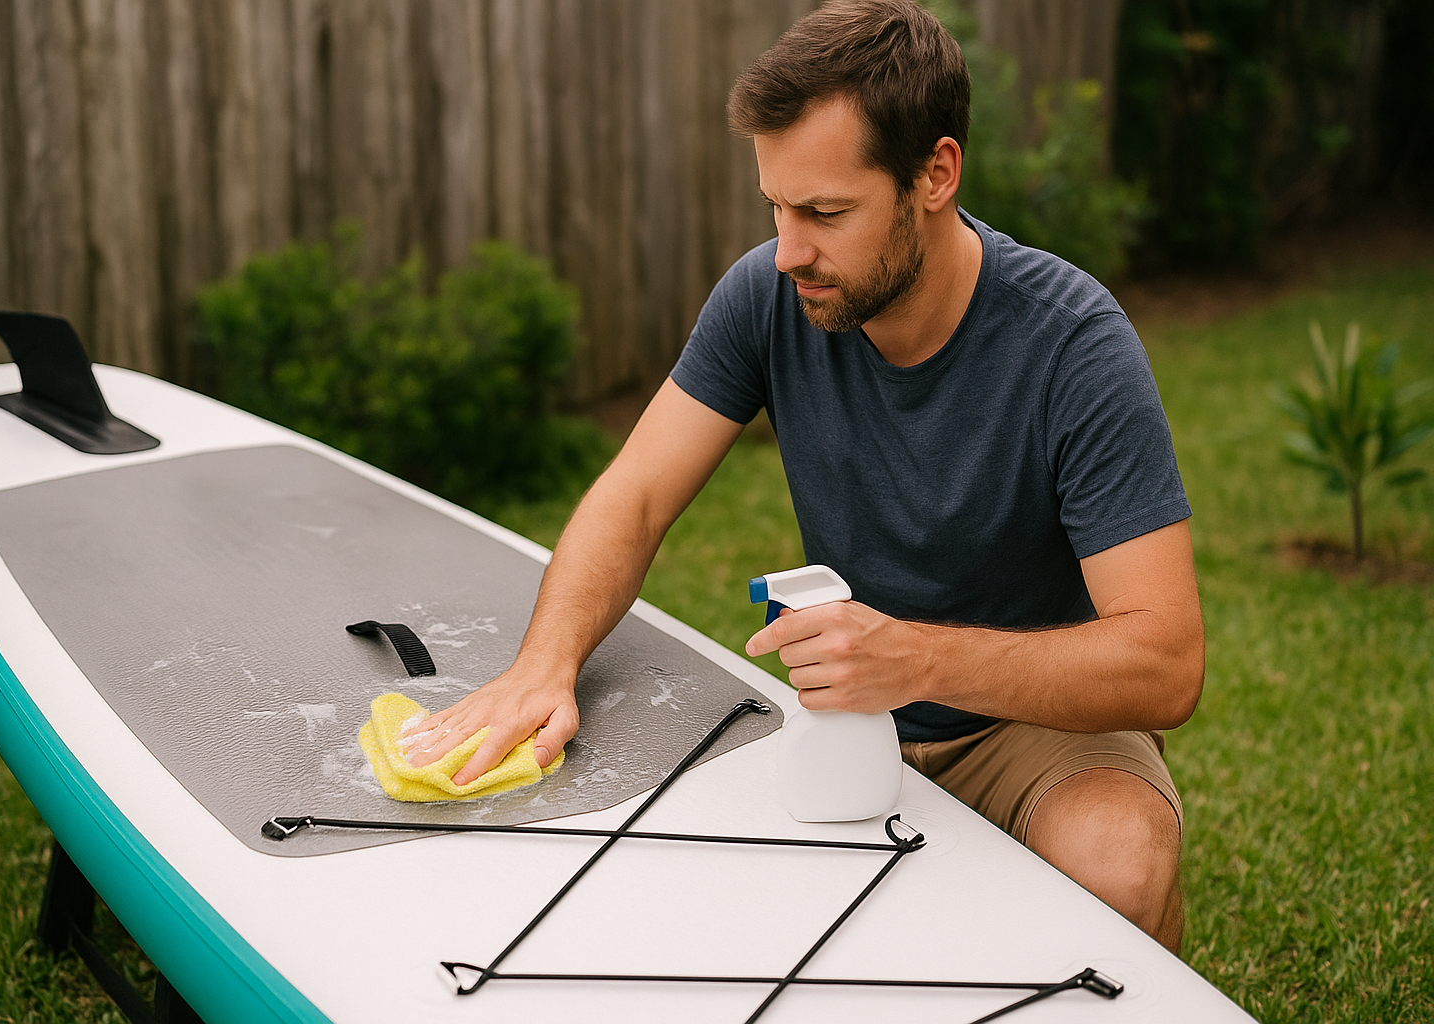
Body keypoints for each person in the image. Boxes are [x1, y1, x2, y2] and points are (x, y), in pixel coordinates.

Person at [399, 0, 1203, 954]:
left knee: (1118, 868)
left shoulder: (1074, 346)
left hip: (1029, 724)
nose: (788, 252)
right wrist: (545, 664)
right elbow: (635, 496)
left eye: (825, 213)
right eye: (776, 208)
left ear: (935, 174)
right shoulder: (768, 294)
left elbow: (1165, 663)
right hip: (841, 718)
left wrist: (918, 660)